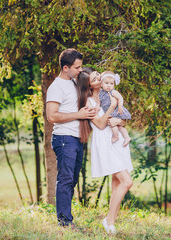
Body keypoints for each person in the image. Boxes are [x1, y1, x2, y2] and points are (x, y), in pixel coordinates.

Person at [77, 67, 134, 234]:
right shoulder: (88, 102)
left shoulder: (109, 92)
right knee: (127, 182)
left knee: (117, 182)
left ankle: (111, 223)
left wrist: (118, 116)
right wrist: (112, 107)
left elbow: (122, 121)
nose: (99, 78)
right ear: (89, 85)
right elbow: (101, 124)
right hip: (106, 142)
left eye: (98, 76)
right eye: (95, 78)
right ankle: (108, 220)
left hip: (118, 141)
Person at [46, 49, 96, 229]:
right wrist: (78, 114)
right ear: (65, 67)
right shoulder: (56, 87)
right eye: (77, 67)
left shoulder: (76, 82)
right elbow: (52, 116)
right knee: (66, 180)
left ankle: (65, 217)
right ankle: (65, 222)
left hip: (76, 139)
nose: (80, 70)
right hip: (64, 138)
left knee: (72, 179)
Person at [98, 71, 132, 147]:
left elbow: (120, 98)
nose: (109, 86)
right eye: (106, 83)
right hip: (110, 110)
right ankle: (127, 137)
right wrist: (97, 106)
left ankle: (116, 136)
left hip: (116, 111)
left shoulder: (113, 92)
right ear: (101, 84)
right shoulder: (100, 93)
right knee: (120, 126)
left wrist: (120, 106)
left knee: (113, 124)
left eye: (111, 84)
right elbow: (98, 102)